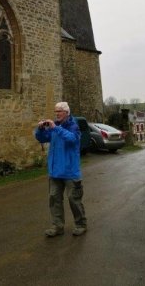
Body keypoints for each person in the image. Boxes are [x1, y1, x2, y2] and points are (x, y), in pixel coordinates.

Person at [35, 101, 87, 237]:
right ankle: (57, 226)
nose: (56, 114)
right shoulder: (54, 127)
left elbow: (72, 139)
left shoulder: (73, 126)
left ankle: (81, 224)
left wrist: (56, 128)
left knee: (74, 199)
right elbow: (41, 138)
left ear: (66, 112)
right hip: (55, 172)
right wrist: (40, 129)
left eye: (59, 111)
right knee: (54, 199)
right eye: (55, 111)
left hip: (70, 171)